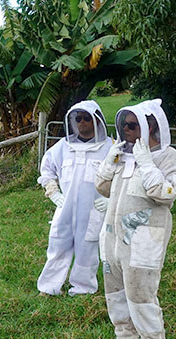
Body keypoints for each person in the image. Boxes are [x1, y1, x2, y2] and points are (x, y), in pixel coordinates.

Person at [95, 99, 176, 339]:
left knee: (141, 295)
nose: (126, 130)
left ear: (150, 127)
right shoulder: (125, 155)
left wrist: (147, 164)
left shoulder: (169, 158)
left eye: (132, 126)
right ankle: (125, 338)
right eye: (124, 125)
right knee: (115, 292)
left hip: (144, 240)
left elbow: (166, 194)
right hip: (113, 237)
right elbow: (102, 188)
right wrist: (109, 163)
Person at [36, 100, 112, 296]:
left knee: (87, 250)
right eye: (78, 119)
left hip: (93, 210)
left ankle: (83, 288)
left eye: (87, 118)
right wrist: (53, 191)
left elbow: (122, 176)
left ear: (97, 120)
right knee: (57, 245)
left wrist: (111, 200)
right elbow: (47, 168)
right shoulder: (63, 147)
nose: (82, 122)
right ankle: (49, 287)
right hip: (65, 209)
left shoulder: (110, 148)